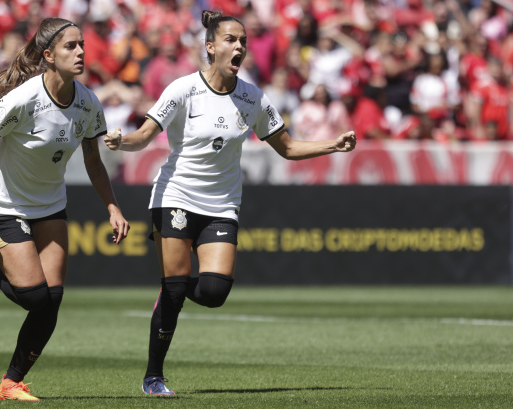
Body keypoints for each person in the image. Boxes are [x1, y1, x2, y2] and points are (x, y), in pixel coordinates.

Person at [104, 10, 356, 396]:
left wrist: (333, 145)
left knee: (214, 292)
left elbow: (286, 147)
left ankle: (171, 285)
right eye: (230, 40)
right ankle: (154, 376)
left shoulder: (252, 96)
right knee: (174, 293)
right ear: (210, 47)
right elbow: (144, 136)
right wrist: (121, 140)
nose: (239, 46)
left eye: (242, 40)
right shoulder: (183, 89)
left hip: (221, 204)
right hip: (176, 195)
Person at [0, 17, 129, 401]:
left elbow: (93, 160)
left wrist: (113, 208)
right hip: (5, 203)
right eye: (71, 46)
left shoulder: (88, 102)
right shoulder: (24, 99)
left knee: (52, 300)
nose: (81, 52)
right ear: (49, 56)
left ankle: (11, 382)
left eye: (82, 44)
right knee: (35, 298)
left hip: (50, 205)